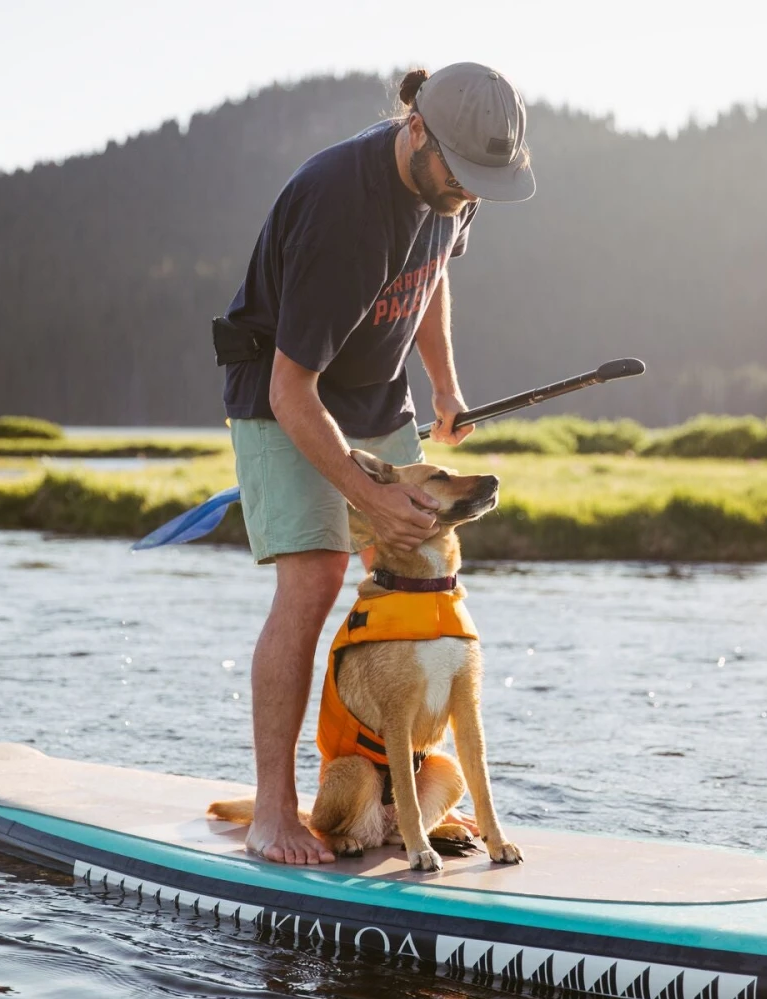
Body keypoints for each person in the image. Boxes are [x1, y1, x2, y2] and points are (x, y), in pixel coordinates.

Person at [219, 62, 536, 864]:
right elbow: (294, 392)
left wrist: (445, 386)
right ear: (417, 129)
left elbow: (428, 282)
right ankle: (276, 812)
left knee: (417, 572)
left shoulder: (452, 188)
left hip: (375, 392)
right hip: (281, 390)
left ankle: (397, 798)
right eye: (462, 179)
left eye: (482, 185)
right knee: (319, 575)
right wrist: (366, 491)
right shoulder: (342, 210)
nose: (469, 196)